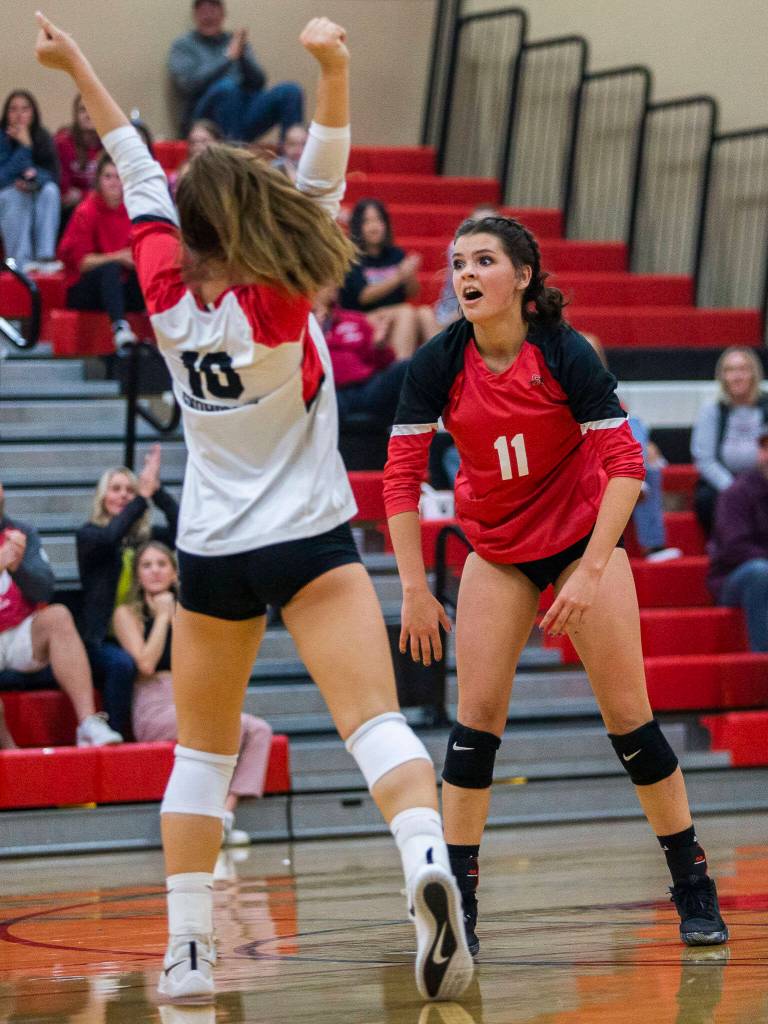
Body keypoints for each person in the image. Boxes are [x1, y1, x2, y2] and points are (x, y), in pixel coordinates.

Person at [36, 11, 472, 1005]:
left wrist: (81, 65)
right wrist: (334, 68)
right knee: (376, 727)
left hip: (213, 555)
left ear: (188, 231)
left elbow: (129, 156)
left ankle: (188, 948)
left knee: (200, 750)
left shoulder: (164, 292)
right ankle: (423, 869)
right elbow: (325, 165)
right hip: (312, 542)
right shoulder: (284, 295)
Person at [383, 214, 728, 958]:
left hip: (579, 545)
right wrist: (414, 587)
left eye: (482, 261)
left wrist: (593, 569)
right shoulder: (439, 362)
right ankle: (460, 905)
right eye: (456, 263)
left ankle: (693, 883)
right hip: (498, 551)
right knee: (473, 731)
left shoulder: (565, 353)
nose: (464, 274)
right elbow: (401, 481)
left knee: (632, 725)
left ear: (522, 278)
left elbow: (629, 468)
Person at [113, 541, 272, 845]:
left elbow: (206, 660)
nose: (155, 570)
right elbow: (145, 663)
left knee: (259, 729)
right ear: (138, 575)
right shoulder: (126, 614)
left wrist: (177, 614)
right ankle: (208, 818)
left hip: (192, 693)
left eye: (162, 564)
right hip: (154, 704)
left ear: (174, 572)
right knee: (219, 725)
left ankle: (223, 815)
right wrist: (161, 617)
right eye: (147, 565)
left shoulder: (190, 611)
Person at [0, 480, 122, 747]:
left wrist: (18, 566)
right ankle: (10, 752)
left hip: (19, 631)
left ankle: (89, 723)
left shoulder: (20, 533)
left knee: (58, 615)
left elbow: (44, 590)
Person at [76, 447, 178, 738]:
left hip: (139, 629)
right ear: (102, 496)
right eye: (116, 489)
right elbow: (111, 539)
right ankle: (116, 734)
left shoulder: (146, 538)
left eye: (129, 491)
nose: (123, 495)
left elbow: (183, 529)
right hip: (102, 638)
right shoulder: (90, 535)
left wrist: (156, 492)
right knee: (123, 664)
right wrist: (141, 499)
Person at [583, 333, 681, 562]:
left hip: (610, 455)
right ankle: (636, 475)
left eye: (593, 355)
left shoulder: (606, 393)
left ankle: (653, 546)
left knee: (634, 424)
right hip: (584, 459)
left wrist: (647, 445)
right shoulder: (556, 390)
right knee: (633, 429)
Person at [168, 0, 304, 141]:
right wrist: (228, 58)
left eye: (213, 10)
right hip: (204, 118)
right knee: (227, 87)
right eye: (203, 11)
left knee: (290, 91)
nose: (208, 17)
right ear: (195, 15)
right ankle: (233, 153)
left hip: (243, 113)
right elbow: (188, 85)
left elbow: (259, 83)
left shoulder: (235, 41)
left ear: (223, 14)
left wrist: (242, 57)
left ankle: (292, 155)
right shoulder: (183, 45)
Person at [58, 152, 145, 348]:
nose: (115, 183)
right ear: (98, 180)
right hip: (84, 288)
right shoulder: (86, 211)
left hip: (121, 287)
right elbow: (82, 263)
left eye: (119, 177)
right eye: (108, 177)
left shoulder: (135, 211)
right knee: (110, 268)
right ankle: (120, 327)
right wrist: (119, 257)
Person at [340, 198, 441, 360]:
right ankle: (399, 374)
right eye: (367, 221)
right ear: (358, 226)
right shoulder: (352, 257)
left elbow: (412, 293)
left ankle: (444, 372)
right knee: (406, 312)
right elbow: (363, 297)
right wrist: (399, 276)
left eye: (379, 220)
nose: (374, 227)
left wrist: (409, 275)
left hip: (394, 314)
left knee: (425, 313)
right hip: (361, 317)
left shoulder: (395, 254)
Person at [691, 346, 768, 534]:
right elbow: (705, 459)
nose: (737, 376)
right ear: (722, 376)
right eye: (730, 370)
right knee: (706, 498)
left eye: (743, 369)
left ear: (753, 373)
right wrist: (734, 488)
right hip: (725, 481)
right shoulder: (712, 410)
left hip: (763, 478)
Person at [313, 283, 409, 428]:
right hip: (331, 390)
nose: (333, 287)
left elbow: (383, 363)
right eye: (324, 285)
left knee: (406, 367)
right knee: (322, 400)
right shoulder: (302, 325)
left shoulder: (355, 319)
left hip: (366, 387)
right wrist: (315, 333)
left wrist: (380, 347)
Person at [708, 428, 768, 652]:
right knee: (761, 572)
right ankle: (762, 663)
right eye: (765, 447)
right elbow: (734, 548)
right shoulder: (737, 493)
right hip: (734, 578)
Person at [0, 89, 61, 272]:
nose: (19, 114)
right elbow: (3, 177)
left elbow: (53, 175)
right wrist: (25, 147)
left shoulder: (42, 136)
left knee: (50, 191)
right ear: (6, 113)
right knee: (14, 195)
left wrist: (33, 182)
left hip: (33, 192)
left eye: (25, 109)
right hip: (7, 196)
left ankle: (45, 258)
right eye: (13, 109)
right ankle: (20, 261)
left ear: (33, 113)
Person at [54, 93, 103, 216]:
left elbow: (113, 190)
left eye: (93, 109)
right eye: (82, 110)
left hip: (103, 207)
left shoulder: (110, 143)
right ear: (75, 114)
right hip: (70, 210)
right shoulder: (63, 143)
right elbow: (64, 191)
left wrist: (82, 194)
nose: (88, 115)